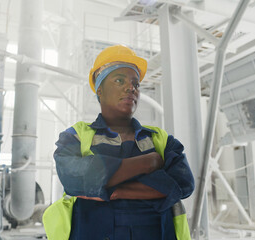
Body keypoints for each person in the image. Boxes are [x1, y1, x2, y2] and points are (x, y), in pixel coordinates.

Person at [52, 45, 195, 240]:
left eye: (136, 84)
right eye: (119, 80)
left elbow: (183, 183)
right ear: (99, 89)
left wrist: (111, 190)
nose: (131, 88)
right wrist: (149, 163)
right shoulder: (76, 136)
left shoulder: (160, 139)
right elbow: (73, 179)